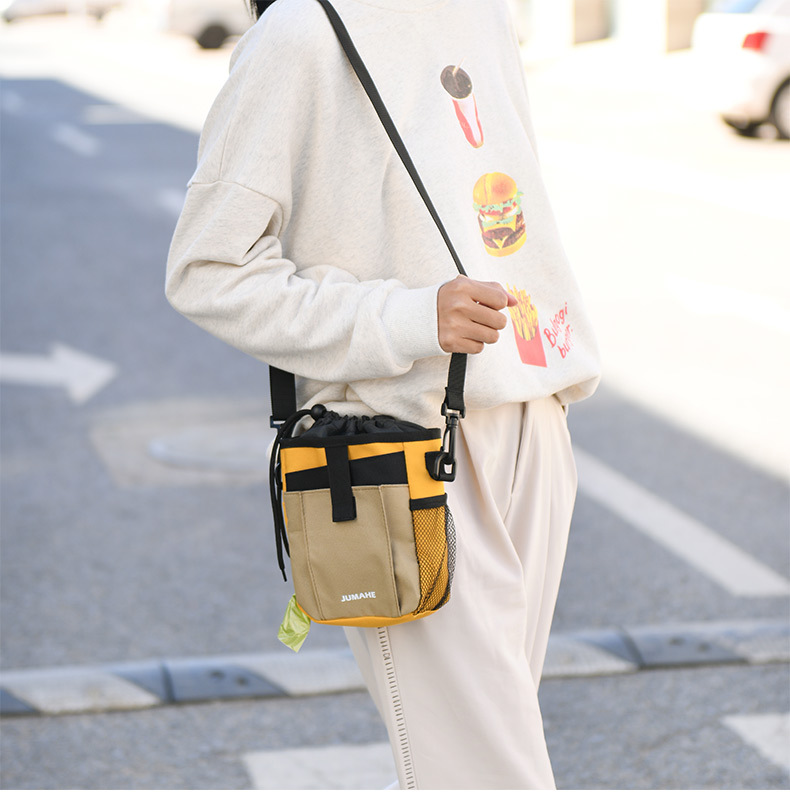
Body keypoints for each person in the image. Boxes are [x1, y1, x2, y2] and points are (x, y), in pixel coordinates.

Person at [166, 0, 601, 790]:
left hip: (531, 417)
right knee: (488, 779)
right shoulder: (299, 34)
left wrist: (550, 379)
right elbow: (207, 269)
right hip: (399, 446)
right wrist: (408, 317)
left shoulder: (483, 15)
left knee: (467, 762)